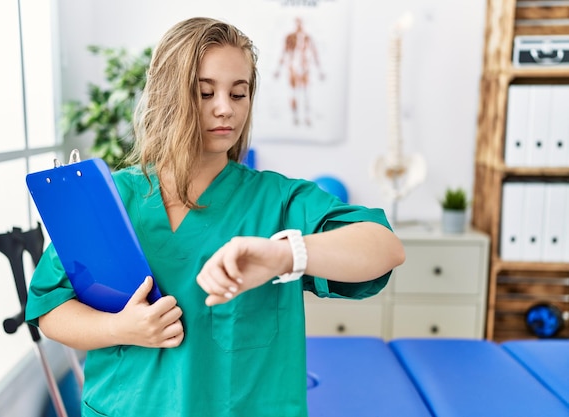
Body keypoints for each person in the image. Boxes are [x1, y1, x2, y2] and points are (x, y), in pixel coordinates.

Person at [26, 17, 405, 417]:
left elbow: (384, 247)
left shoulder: (275, 201)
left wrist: (285, 255)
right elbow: (49, 307)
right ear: (167, 95)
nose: (225, 109)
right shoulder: (111, 198)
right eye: (205, 93)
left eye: (238, 94)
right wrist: (121, 329)